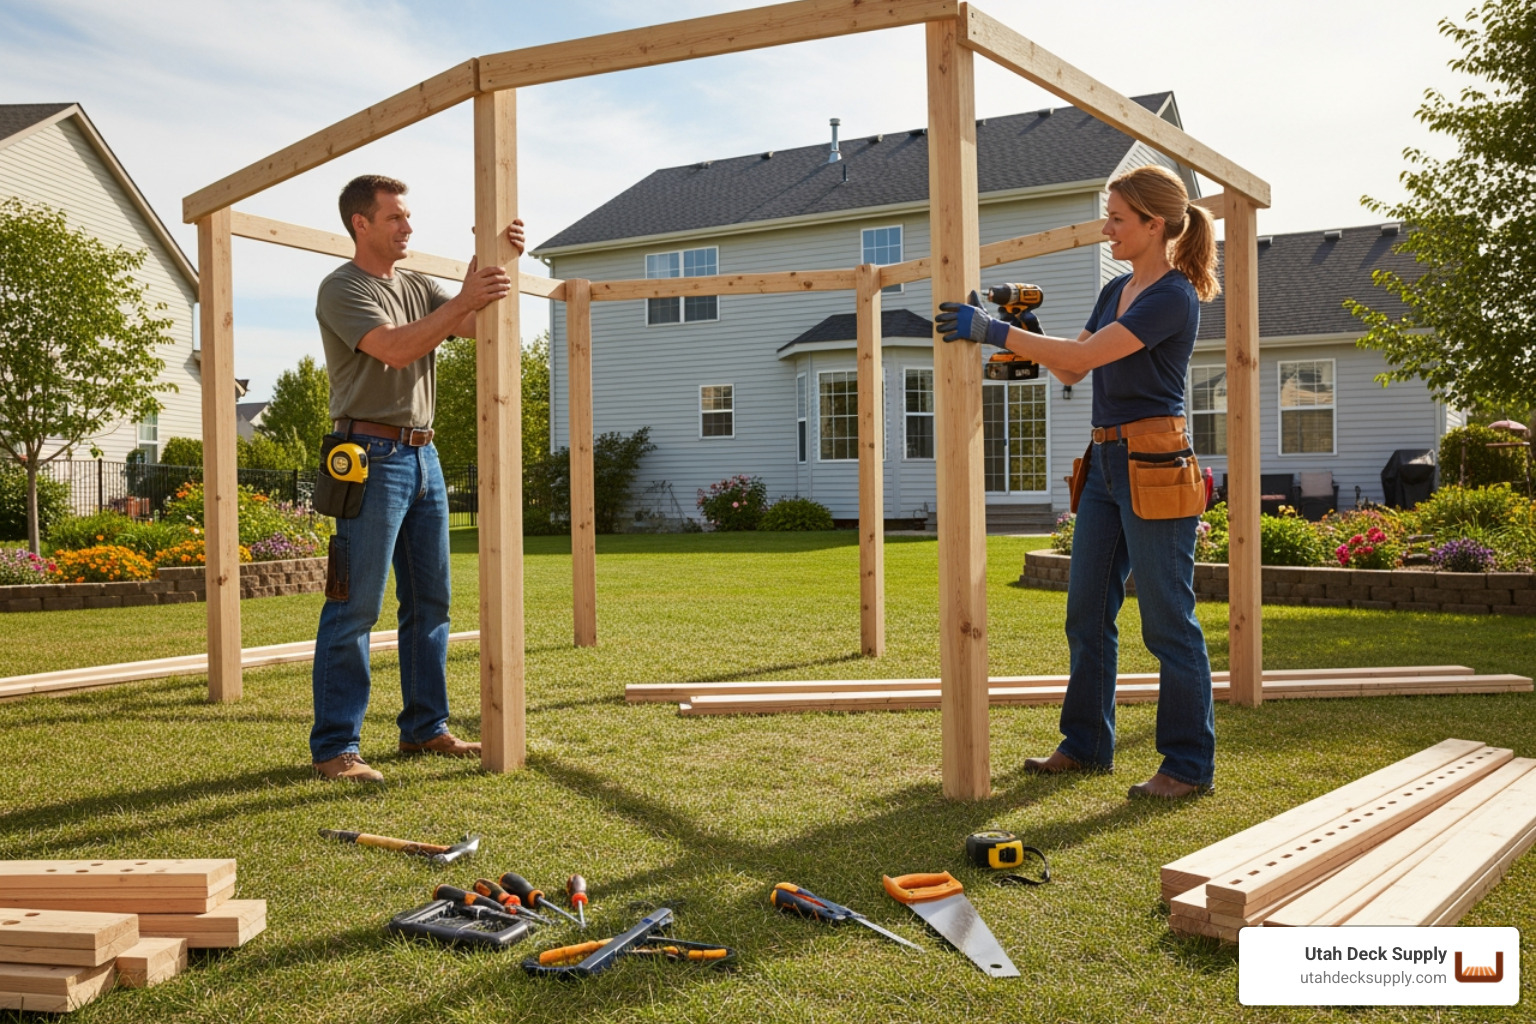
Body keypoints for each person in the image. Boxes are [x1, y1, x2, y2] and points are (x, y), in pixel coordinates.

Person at [936, 164, 1221, 800]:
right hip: (1103, 466)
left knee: (1168, 622)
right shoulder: (1115, 288)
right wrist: (1025, 334)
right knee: (1086, 612)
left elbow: (1085, 358)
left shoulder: (1171, 296)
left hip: (1155, 462)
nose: (1107, 228)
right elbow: (1068, 372)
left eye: (1118, 218)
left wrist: (992, 331)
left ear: (1154, 225)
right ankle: (1087, 743)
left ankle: (1187, 765)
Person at [310, 173, 525, 782]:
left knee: (430, 601)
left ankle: (425, 729)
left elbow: (468, 323)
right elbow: (397, 349)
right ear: (362, 224)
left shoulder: (417, 285)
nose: (408, 227)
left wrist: (496, 253)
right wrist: (464, 298)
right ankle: (335, 747)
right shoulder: (342, 288)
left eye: (407, 217)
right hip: (367, 455)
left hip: (423, 456)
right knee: (355, 605)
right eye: (395, 218)